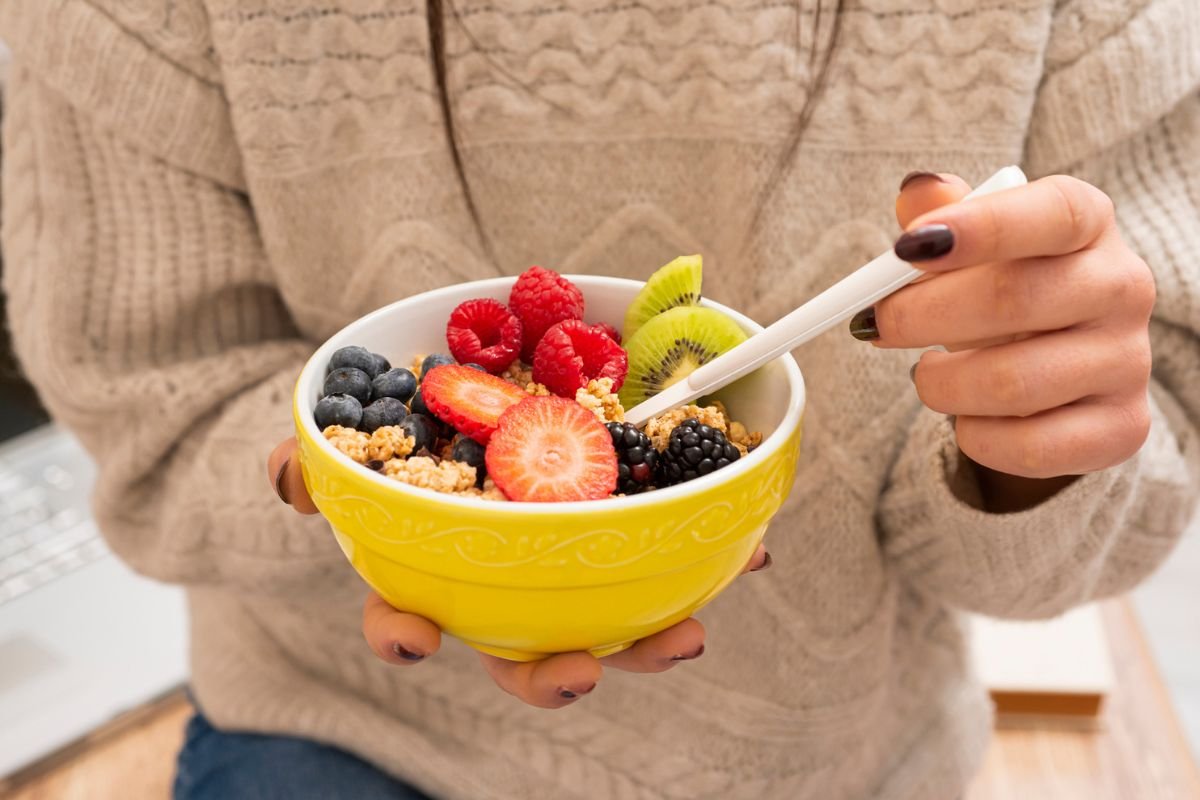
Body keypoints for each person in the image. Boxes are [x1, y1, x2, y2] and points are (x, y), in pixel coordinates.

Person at [2, 1, 1196, 797]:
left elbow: (1130, 477)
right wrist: (345, 484)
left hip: (836, 755)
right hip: (351, 726)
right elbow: (158, 423)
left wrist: (1030, 439)